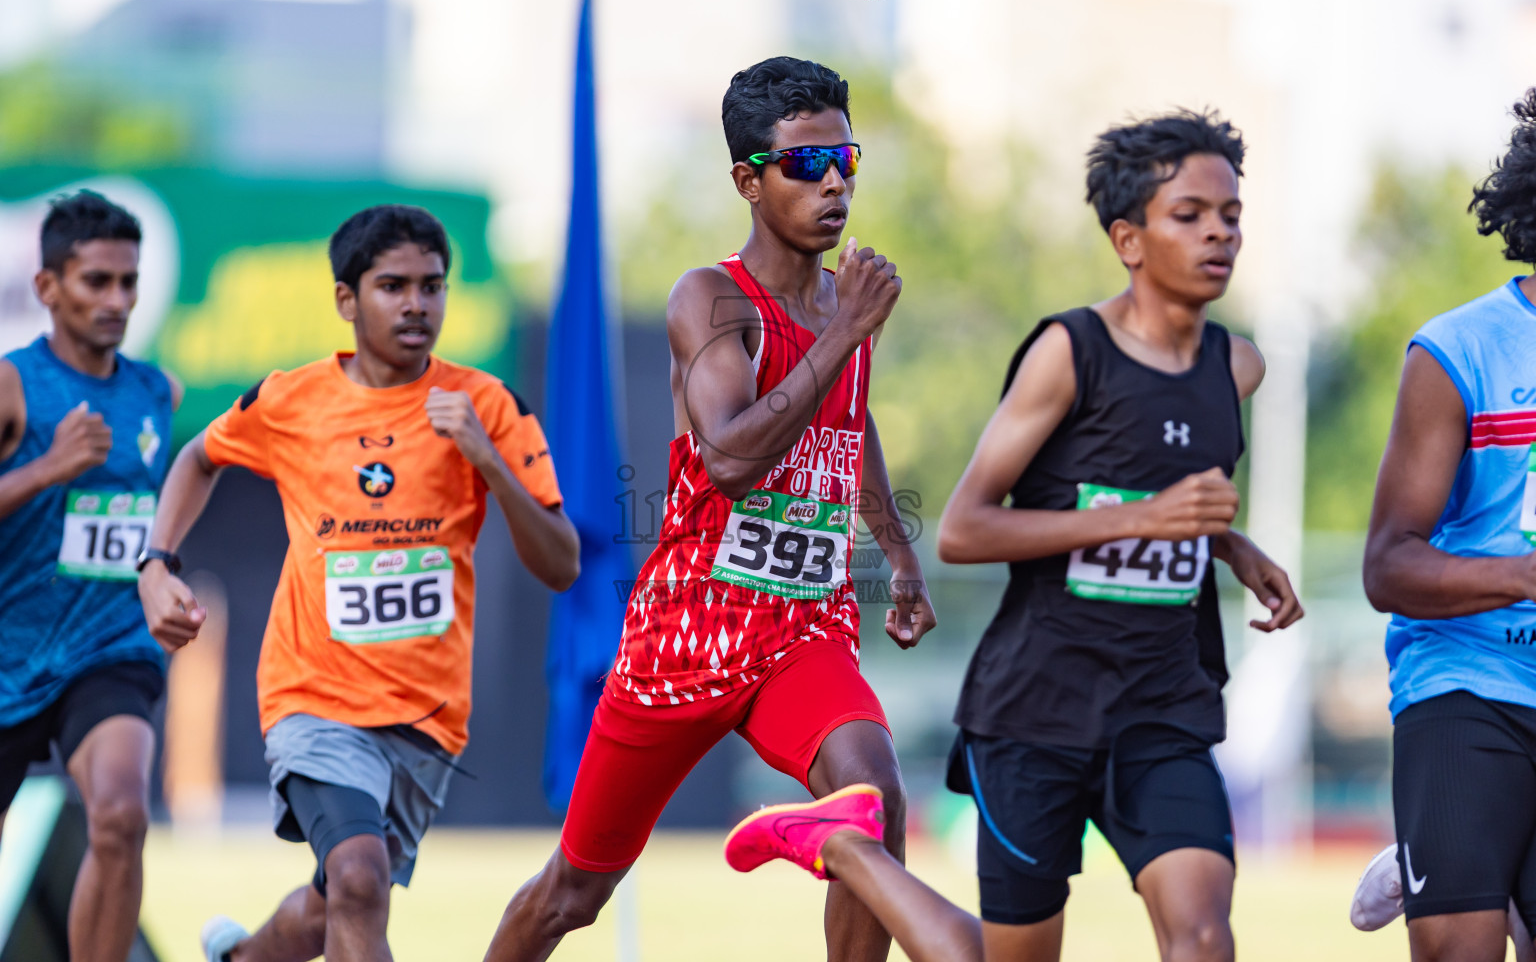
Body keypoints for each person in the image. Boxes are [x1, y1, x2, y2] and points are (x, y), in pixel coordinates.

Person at [725, 108, 1305, 962]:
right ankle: (844, 846)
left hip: (1162, 705)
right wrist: (1145, 520)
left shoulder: (1238, 367)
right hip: (1038, 709)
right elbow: (963, 529)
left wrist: (1232, 547)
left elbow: (1164, 490)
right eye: (1189, 215)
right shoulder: (1070, 354)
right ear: (1129, 239)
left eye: (1231, 215)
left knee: (1204, 936)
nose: (1220, 233)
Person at [481, 56, 935, 962]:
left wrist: (896, 545)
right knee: (574, 892)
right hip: (689, 634)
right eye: (806, 164)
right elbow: (728, 458)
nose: (835, 180)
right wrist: (846, 334)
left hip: (803, 631)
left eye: (846, 158)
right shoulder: (713, 297)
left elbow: (851, 419)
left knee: (875, 806)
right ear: (748, 181)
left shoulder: (845, 300)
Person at [138, 204, 580, 962]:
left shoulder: (489, 405)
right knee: (358, 878)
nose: (417, 304)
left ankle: (241, 959)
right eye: (393, 286)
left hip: (426, 719)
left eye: (433, 286)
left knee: (330, 906)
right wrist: (156, 562)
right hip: (312, 699)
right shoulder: (291, 400)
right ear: (348, 300)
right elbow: (200, 457)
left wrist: (486, 459)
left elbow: (561, 563)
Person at [1341, 89, 1536, 962]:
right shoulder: (1460, 350)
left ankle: (1481, 853)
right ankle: (1461, 841)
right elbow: (1388, 567)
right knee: (1462, 949)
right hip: (1471, 679)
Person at [0, 191, 177, 962]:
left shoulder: (157, 392)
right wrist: (47, 467)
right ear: (47, 288)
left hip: (108, 648)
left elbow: (153, 513)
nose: (117, 300)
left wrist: (165, 574)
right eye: (96, 281)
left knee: (120, 815)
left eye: (128, 282)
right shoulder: (12, 386)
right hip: (11, 648)